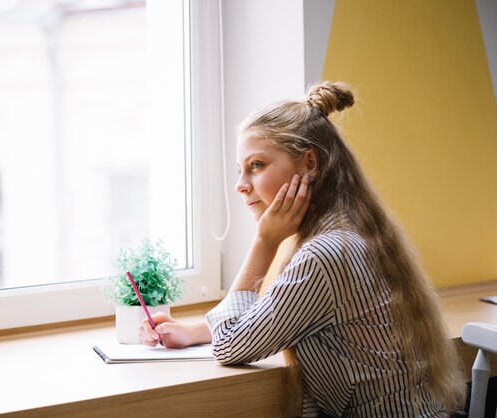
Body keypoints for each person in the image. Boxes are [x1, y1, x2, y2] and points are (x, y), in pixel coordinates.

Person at [139, 81, 466, 417]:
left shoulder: (327, 254)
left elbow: (230, 345)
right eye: (240, 169)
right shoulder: (348, 232)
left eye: (257, 165)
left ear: (309, 164)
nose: (240, 185)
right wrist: (192, 332)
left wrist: (264, 242)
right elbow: (279, 313)